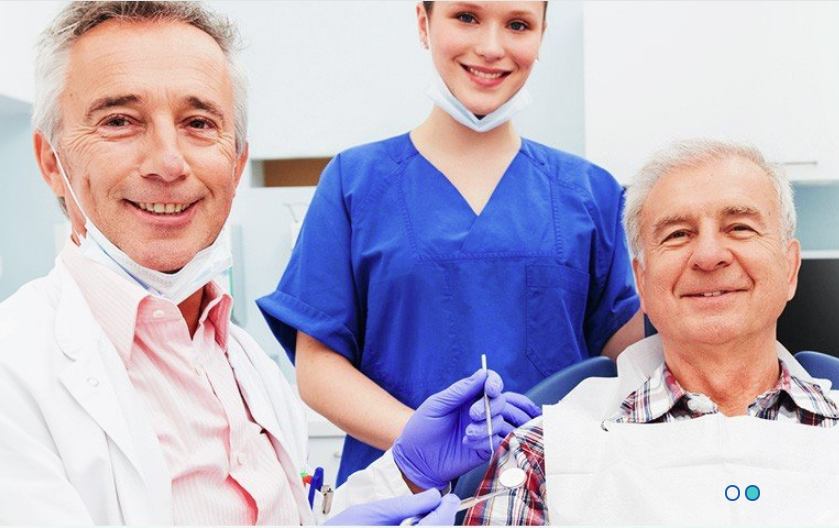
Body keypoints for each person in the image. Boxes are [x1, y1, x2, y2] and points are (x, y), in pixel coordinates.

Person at [0, 2, 523, 524]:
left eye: (199, 122)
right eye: (119, 121)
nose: (168, 162)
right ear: (52, 160)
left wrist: (408, 467)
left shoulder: (242, 361)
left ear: (236, 161)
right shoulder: (17, 374)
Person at [463, 139, 839, 525]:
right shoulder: (539, 455)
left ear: (790, 268)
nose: (710, 255)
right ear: (642, 283)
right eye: (677, 234)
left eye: (740, 227)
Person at [257, 0, 643, 487]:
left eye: (518, 25)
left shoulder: (592, 193)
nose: (491, 47)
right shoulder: (355, 183)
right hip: (402, 492)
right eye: (466, 17)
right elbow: (318, 368)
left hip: (554, 492)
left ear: (542, 34)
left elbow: (628, 367)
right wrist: (430, 444)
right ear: (423, 22)